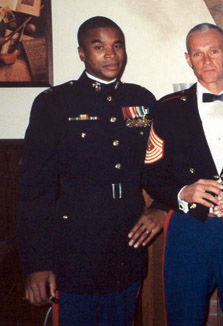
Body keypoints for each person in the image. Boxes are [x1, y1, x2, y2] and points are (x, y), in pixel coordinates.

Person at [16, 16, 165, 325]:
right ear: (82, 53)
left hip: (127, 244)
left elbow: (161, 166)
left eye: (117, 46)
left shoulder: (142, 100)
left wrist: (161, 207)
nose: (111, 55)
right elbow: (34, 189)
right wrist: (36, 264)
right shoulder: (54, 103)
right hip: (74, 249)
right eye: (99, 47)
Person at [142, 23, 223, 325]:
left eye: (214, 51)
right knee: (183, 317)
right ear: (188, 59)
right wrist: (181, 193)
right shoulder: (167, 109)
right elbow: (150, 172)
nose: (207, 60)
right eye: (197, 54)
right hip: (187, 227)